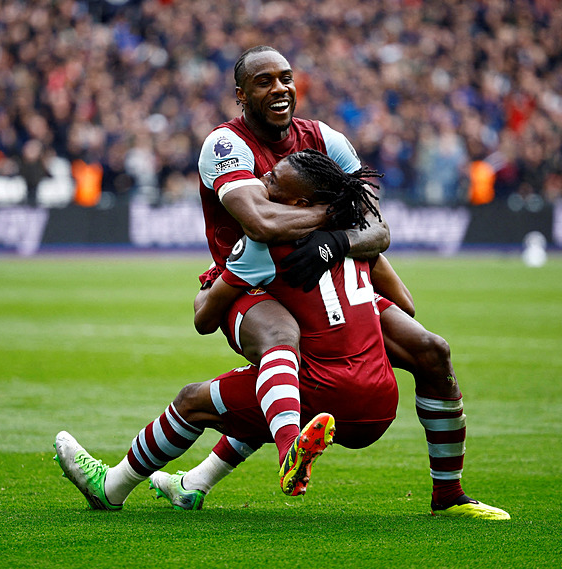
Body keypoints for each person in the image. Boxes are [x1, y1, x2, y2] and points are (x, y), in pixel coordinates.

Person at [190, 45, 495, 517]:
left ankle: (449, 496)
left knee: (431, 350)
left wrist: (335, 244)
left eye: (286, 78)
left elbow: (378, 230)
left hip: (322, 271)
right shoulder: (226, 145)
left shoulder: (326, 138)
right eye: (264, 81)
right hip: (251, 281)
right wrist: (337, 219)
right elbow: (262, 224)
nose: (280, 89)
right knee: (283, 348)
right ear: (240, 95)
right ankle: (253, 457)